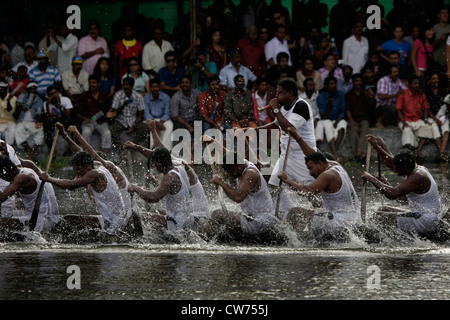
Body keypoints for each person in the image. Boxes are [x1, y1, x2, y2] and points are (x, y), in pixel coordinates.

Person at [56, 123, 141, 236]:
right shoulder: (96, 168)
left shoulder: (106, 168)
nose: (77, 174)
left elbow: (90, 152)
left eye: (79, 170)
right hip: (111, 217)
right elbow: (80, 154)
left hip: (121, 221)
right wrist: (65, 136)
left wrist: (76, 133)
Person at [278, 127, 362, 240]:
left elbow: (307, 191)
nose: (310, 172)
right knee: (316, 210)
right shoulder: (336, 165)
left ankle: (287, 240)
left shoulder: (327, 175)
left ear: (320, 164)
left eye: (311, 168)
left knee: (295, 212)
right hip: (353, 218)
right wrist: (296, 137)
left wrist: (287, 180)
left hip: (341, 220)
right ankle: (305, 238)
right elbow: (313, 154)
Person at [256, 77, 318, 216]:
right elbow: (277, 123)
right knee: (273, 186)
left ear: (290, 93)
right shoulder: (284, 108)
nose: (277, 96)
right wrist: (255, 130)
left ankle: (321, 213)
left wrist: (276, 109)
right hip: (286, 155)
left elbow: (288, 128)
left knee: (309, 191)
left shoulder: (302, 106)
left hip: (304, 156)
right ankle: (277, 214)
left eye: (280, 93)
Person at [363, 135, 442, 237]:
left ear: (405, 168)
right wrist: (379, 147)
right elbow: (401, 198)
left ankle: (371, 239)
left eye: (397, 169)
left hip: (426, 221)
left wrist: (371, 179)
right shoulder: (413, 168)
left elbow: (393, 194)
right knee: (382, 209)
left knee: (380, 216)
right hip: (422, 215)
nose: (395, 170)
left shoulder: (418, 176)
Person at [39, 150, 127, 233]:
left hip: (112, 222)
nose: (77, 173)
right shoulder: (99, 165)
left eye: (78, 169)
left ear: (86, 166)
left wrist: (49, 179)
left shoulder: (94, 174)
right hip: (116, 218)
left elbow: (70, 185)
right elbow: (81, 150)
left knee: (68, 220)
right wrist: (67, 136)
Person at [127, 145, 209, 234]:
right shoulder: (180, 168)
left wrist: (136, 188)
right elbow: (171, 189)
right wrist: (136, 147)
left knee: (143, 216)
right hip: (186, 217)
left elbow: (153, 198)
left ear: (158, 164)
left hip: (179, 222)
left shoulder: (169, 178)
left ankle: (141, 240)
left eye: (154, 164)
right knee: (153, 211)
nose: (154, 166)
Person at [203, 150, 280, 241]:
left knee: (217, 214)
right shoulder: (241, 164)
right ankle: (211, 238)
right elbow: (232, 155)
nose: (227, 174)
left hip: (260, 221)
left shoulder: (250, 174)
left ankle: (203, 239)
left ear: (239, 167)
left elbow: (238, 197)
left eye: (230, 171)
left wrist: (221, 183)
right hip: (251, 217)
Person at [0, 153, 59, 233]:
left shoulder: (22, 178)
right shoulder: (27, 167)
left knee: (2, 222)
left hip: (43, 219)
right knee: (6, 214)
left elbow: (2, 197)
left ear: (7, 172)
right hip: (47, 215)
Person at [396, 75, 440, 158]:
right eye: (415, 83)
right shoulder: (403, 94)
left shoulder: (421, 94)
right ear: (409, 84)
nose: (417, 85)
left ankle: (418, 150)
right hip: (405, 120)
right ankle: (408, 153)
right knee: (407, 130)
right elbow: (398, 110)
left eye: (418, 83)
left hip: (417, 120)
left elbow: (426, 108)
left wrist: (426, 118)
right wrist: (404, 122)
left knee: (429, 126)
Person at [108, 77, 147, 150]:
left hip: (133, 120)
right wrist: (123, 105)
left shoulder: (138, 96)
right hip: (121, 121)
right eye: (124, 85)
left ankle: (132, 147)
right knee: (111, 129)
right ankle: (121, 148)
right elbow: (114, 113)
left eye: (127, 85)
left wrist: (134, 124)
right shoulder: (118, 95)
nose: (125, 87)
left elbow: (141, 115)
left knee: (144, 127)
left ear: (132, 86)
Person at [76, 75, 112, 154]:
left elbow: (108, 111)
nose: (92, 84)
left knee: (107, 133)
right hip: (88, 122)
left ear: (98, 84)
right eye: (90, 83)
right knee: (86, 132)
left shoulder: (103, 96)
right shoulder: (84, 96)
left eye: (94, 83)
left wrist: (108, 115)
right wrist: (85, 118)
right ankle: (85, 154)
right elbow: (78, 113)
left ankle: (105, 155)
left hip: (101, 121)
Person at [316, 76, 347, 160]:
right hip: (326, 119)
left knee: (342, 127)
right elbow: (323, 115)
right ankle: (334, 154)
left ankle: (334, 153)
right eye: (331, 84)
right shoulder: (321, 97)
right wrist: (329, 105)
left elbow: (343, 111)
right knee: (328, 125)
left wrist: (337, 121)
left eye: (334, 84)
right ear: (326, 85)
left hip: (338, 119)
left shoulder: (340, 94)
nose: (333, 86)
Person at [345, 73, 374, 162]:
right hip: (353, 118)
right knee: (353, 131)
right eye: (357, 81)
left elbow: (371, 106)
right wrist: (351, 120)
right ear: (353, 82)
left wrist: (371, 98)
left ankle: (360, 152)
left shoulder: (365, 93)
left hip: (364, 118)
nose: (359, 83)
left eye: (360, 81)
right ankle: (357, 153)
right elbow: (347, 109)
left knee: (365, 130)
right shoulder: (349, 95)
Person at [14, 82, 44, 161]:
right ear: (27, 89)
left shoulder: (38, 99)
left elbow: (39, 113)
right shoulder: (23, 96)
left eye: (35, 88)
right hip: (22, 121)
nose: (33, 90)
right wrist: (23, 106)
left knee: (40, 131)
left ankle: (32, 153)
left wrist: (38, 122)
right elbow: (18, 106)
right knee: (18, 130)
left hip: (33, 122)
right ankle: (29, 151)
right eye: (31, 88)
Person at [425, 72, 449, 162]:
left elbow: (446, 106)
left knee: (446, 129)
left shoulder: (443, 91)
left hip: (442, 116)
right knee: (434, 128)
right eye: (433, 79)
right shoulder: (427, 93)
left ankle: (441, 153)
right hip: (432, 117)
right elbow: (427, 108)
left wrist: (442, 117)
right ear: (429, 81)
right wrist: (435, 119)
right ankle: (441, 153)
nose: (436, 81)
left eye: (437, 78)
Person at [375, 64, 408, 128]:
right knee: (391, 109)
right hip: (382, 107)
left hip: (394, 107)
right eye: (394, 72)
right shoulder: (383, 80)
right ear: (389, 73)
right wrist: (396, 94)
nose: (397, 73)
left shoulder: (398, 81)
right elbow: (381, 96)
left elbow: (406, 91)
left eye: (397, 72)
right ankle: (378, 122)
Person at [143, 78, 173, 150]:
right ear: (150, 88)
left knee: (169, 125)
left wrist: (161, 122)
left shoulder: (166, 97)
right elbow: (146, 113)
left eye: (156, 87)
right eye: (152, 87)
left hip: (163, 119)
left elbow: (167, 112)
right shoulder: (146, 97)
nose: (154, 89)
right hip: (150, 119)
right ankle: (153, 149)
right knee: (151, 126)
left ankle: (166, 149)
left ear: (159, 87)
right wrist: (156, 123)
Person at [42, 85, 73, 154]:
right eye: (51, 94)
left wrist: (60, 107)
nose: (54, 95)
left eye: (55, 93)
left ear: (58, 92)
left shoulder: (65, 100)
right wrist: (47, 105)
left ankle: (70, 150)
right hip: (53, 120)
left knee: (71, 126)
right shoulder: (46, 103)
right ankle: (52, 151)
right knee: (46, 129)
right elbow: (48, 117)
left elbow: (67, 116)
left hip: (64, 120)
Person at [411, 23, 437, 90]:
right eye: (429, 30)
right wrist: (416, 70)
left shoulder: (432, 41)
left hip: (429, 69)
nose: (431, 32)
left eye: (432, 30)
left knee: (429, 89)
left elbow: (431, 55)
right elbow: (412, 56)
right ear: (424, 31)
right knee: (422, 89)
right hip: (421, 70)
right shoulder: (418, 41)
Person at [0, 139, 21, 217]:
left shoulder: (4, 147)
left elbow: (17, 168)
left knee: (5, 222)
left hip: (6, 193)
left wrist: (6, 154)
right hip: (8, 193)